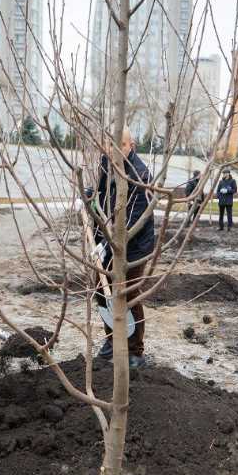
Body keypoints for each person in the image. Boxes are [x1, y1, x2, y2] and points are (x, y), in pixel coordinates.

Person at [93, 127, 156, 370]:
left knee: (129, 295)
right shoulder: (105, 164)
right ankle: (111, 339)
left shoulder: (140, 174)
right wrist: (87, 197)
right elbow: (99, 194)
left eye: (120, 145)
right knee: (101, 288)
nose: (113, 150)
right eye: (109, 145)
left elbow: (134, 220)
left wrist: (108, 244)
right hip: (110, 239)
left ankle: (136, 350)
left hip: (136, 246)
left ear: (132, 145)